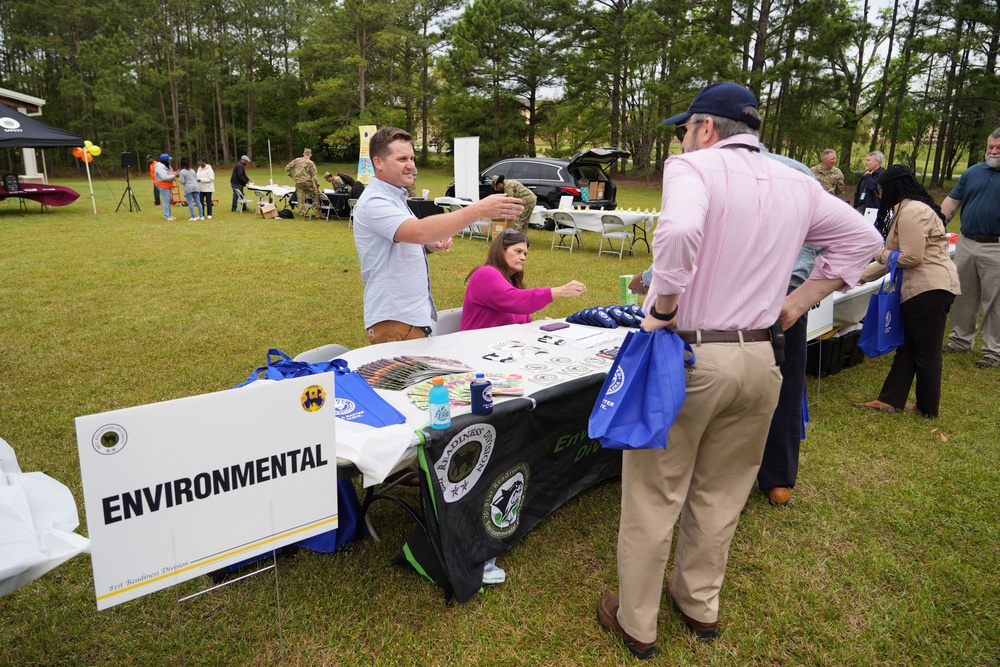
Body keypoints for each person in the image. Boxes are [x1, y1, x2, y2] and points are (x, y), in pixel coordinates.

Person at [595, 82, 882, 661]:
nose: (681, 139)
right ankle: (699, 605)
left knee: (655, 492)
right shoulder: (799, 182)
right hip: (761, 359)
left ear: (704, 129)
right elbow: (866, 239)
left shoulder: (692, 167)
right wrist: (798, 305)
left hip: (691, 353)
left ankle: (638, 622)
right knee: (722, 492)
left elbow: (676, 234)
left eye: (684, 129)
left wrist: (665, 308)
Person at [628, 144, 824, 508]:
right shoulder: (798, 171)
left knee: (704, 380)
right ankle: (778, 479)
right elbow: (827, 240)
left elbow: (694, 239)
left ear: (709, 131)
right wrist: (798, 294)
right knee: (783, 381)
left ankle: (700, 471)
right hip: (786, 297)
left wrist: (653, 279)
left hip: (733, 302)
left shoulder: (708, 171)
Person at [353, 126, 524, 345]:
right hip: (395, 320)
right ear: (379, 163)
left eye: (412, 158)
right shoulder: (375, 201)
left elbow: (403, 240)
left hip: (408, 318)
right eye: (402, 159)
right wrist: (479, 210)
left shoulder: (393, 197)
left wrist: (427, 246)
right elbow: (419, 231)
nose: (411, 166)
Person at [854, 166, 961, 416]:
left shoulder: (912, 210)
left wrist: (876, 252)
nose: (878, 195)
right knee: (909, 348)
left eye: (880, 189)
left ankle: (927, 409)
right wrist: (858, 277)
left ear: (893, 187)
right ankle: (890, 400)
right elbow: (893, 260)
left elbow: (910, 257)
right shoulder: (905, 209)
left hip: (929, 290)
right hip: (922, 290)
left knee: (926, 352)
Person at [942, 127, 1000, 369]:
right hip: (966, 242)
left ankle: (994, 351)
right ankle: (960, 341)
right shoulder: (973, 172)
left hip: (996, 247)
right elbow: (953, 201)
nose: (993, 152)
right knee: (962, 295)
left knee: (995, 301)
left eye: (999, 148)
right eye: (990, 147)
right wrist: (936, 224)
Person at [460, 228, 587, 331]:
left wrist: (543, 326)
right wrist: (559, 291)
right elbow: (515, 300)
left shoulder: (512, 281)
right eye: (518, 251)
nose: (523, 257)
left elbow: (524, 320)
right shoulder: (485, 273)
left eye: (525, 254)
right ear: (501, 251)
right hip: (475, 347)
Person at [285, 148, 321, 220]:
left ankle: (302, 217)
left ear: (303, 154)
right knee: (315, 195)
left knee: (300, 199)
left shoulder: (296, 160)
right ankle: (317, 212)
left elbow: (287, 168)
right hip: (307, 182)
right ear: (310, 155)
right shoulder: (310, 163)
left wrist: (292, 176)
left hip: (298, 183)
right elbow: (315, 175)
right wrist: (317, 186)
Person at [153, 154, 176, 221]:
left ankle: (169, 215)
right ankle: (166, 216)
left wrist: (175, 173)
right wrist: (175, 175)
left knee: (168, 200)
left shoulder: (166, 165)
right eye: (168, 159)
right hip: (162, 185)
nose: (169, 160)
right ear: (165, 160)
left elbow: (170, 173)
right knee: (166, 200)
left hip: (167, 185)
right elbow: (164, 177)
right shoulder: (159, 167)